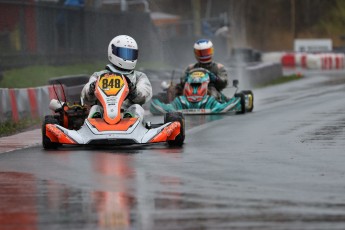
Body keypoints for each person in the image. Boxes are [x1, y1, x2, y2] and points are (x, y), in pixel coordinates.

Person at [81, 35, 152, 118]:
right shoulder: (99, 76)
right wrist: (91, 89)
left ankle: (130, 119)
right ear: (113, 52)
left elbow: (145, 94)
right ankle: (95, 121)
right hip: (104, 116)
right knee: (95, 108)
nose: (127, 57)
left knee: (137, 108)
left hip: (128, 118)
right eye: (124, 53)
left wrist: (133, 91)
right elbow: (85, 97)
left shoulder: (139, 76)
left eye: (130, 54)